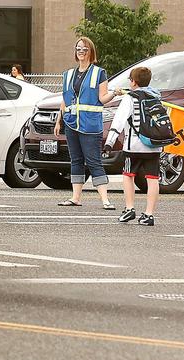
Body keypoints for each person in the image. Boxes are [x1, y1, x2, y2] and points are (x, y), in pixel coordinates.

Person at [54, 36, 116, 210]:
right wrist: (59, 120)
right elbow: (65, 99)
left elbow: (102, 98)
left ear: (91, 52)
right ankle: (76, 197)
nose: (81, 52)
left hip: (90, 124)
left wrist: (114, 94)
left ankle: (105, 200)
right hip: (71, 123)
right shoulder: (68, 75)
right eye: (78, 48)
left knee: (94, 161)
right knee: (76, 160)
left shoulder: (99, 73)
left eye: (84, 49)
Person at [105, 66, 163, 226]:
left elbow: (119, 120)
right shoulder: (156, 97)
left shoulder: (130, 98)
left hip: (134, 147)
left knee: (128, 175)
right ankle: (149, 214)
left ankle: (130, 208)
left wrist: (109, 142)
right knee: (153, 179)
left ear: (133, 82)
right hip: (154, 146)